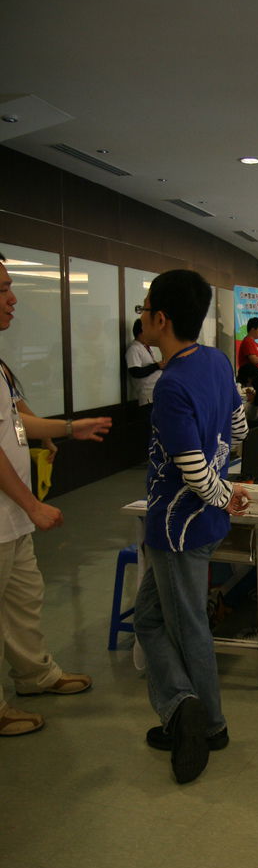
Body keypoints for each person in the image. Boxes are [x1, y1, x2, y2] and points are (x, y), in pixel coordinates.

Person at [132, 269, 249, 784]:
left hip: (178, 528)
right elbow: (239, 427)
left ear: (161, 318)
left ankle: (208, 723)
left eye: (144, 308)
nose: (141, 316)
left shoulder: (171, 385)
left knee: (187, 627)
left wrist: (223, 493)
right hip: (203, 522)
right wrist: (228, 488)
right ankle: (183, 705)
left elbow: (193, 471)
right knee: (149, 618)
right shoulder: (217, 361)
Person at [0, 254, 112, 737]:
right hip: (11, 510)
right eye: (2, 289)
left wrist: (69, 428)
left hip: (11, 517)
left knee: (24, 599)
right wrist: (32, 504)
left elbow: (16, 422)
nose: (13, 299)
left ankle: (35, 676)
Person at [126, 318, 164, 459]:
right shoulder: (134, 349)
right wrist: (157, 366)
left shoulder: (147, 348)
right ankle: (150, 457)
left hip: (156, 394)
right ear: (141, 332)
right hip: (147, 396)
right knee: (150, 429)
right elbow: (135, 372)